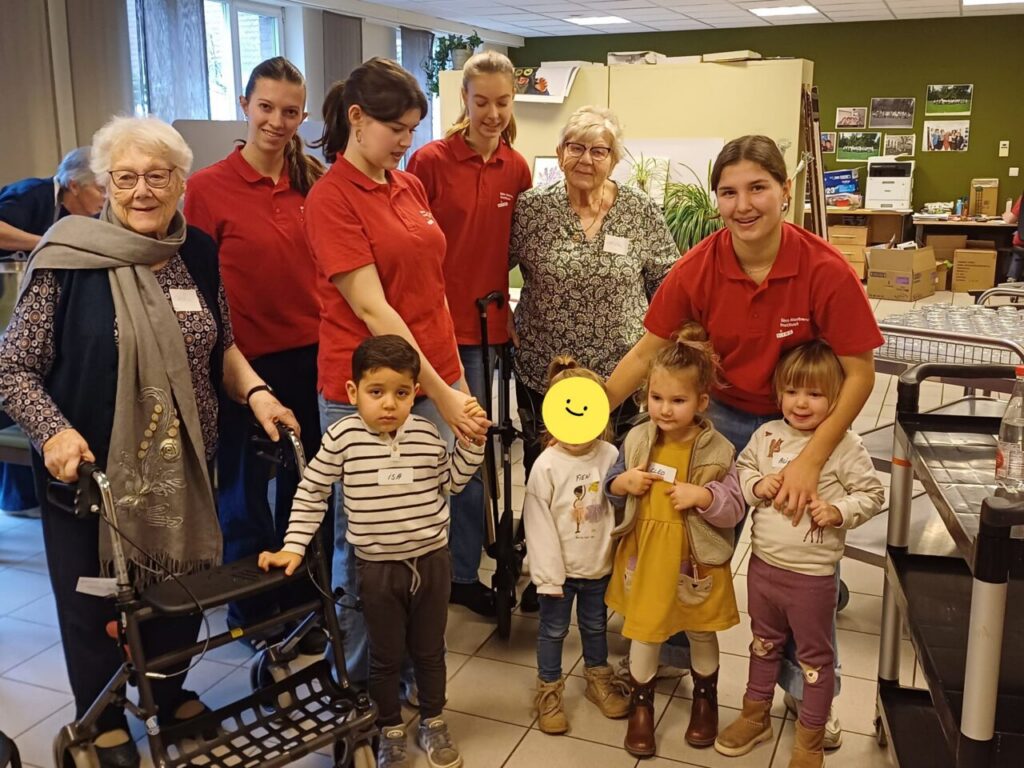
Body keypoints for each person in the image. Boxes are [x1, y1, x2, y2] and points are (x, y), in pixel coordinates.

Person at [0, 115, 298, 768]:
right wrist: (54, 432)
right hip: (92, 476)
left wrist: (256, 392)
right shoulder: (68, 258)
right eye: (125, 177)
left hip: (184, 471)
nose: (142, 190)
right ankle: (102, 715)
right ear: (105, 183)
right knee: (93, 600)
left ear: (181, 182)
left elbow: (221, 347)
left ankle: (167, 692)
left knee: (181, 589)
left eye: (157, 176)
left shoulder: (198, 253)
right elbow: (12, 367)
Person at [605, 134, 883, 749]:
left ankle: (806, 692)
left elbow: (859, 373)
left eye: (758, 187)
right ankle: (674, 656)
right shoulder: (699, 267)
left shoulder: (823, 269)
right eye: (728, 192)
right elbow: (649, 351)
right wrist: (591, 412)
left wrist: (811, 460)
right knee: (686, 536)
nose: (744, 204)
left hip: (801, 423)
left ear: (785, 190)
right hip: (723, 417)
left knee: (798, 560)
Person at [303, 57, 489, 685]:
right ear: (357, 118)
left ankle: (407, 668)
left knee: (421, 525)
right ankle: (359, 682)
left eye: (413, 129)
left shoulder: (406, 185)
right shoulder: (331, 198)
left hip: (433, 377)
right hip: (370, 390)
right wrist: (440, 392)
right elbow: (372, 309)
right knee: (366, 541)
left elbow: (433, 291)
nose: (406, 141)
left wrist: (455, 380)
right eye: (396, 129)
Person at [259, 334, 484, 768]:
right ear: (353, 392)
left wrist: (471, 444)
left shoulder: (426, 434)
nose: (389, 404)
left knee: (430, 651)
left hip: (431, 563)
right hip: (378, 570)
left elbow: (453, 482)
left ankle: (433, 719)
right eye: (376, 392)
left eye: (401, 393)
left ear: (415, 393)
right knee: (384, 655)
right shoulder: (343, 438)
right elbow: (313, 491)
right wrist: (293, 545)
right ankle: (389, 728)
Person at [185, 56, 328, 645]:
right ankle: (252, 609)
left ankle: (302, 600)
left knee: (306, 486)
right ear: (245, 106)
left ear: (303, 116)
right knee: (244, 495)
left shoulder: (313, 184)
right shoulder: (206, 189)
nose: (276, 121)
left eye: (290, 112)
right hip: (242, 366)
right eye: (265, 107)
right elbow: (195, 284)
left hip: (313, 356)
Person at [407, 50, 532, 618]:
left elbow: (518, 247)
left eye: (502, 102)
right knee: (445, 450)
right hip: (434, 332)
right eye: (481, 101)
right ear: (463, 98)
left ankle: (465, 561)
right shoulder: (429, 161)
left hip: (491, 330)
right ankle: (450, 570)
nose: (492, 113)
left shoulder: (516, 168)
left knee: (479, 450)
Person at [717, 341, 883, 767]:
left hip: (812, 579)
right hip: (762, 569)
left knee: (814, 660)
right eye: (792, 391)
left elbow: (872, 493)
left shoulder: (844, 446)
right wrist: (758, 486)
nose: (801, 403)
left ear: (837, 398)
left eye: (815, 394)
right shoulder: (767, 435)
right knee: (762, 644)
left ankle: (809, 740)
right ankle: (755, 716)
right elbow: (743, 470)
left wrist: (838, 511)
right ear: (778, 393)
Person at [510, 105, 679, 478]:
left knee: (618, 475)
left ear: (614, 159)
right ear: (560, 153)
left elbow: (669, 283)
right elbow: (489, 266)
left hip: (623, 373)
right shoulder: (532, 209)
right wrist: (500, 315)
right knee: (548, 473)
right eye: (576, 147)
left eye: (599, 151)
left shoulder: (639, 210)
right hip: (546, 373)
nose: (586, 159)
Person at [604, 324, 746, 758]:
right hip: (646, 555)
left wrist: (704, 497)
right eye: (656, 398)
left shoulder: (719, 449)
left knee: (701, 631)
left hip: (695, 560)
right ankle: (641, 707)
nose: (664, 410)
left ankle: (705, 700)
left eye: (678, 401)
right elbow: (610, 485)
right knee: (644, 633)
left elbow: (734, 507)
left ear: (701, 401)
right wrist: (623, 483)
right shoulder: (637, 438)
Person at [523, 356, 630, 735]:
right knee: (553, 631)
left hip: (598, 568)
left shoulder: (611, 455)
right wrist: (548, 577)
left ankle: (598, 679)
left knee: (595, 626)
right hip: (560, 574)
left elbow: (620, 509)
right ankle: (549, 690)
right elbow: (538, 526)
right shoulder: (546, 466)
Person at [0, 147, 106, 517]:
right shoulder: (31, 194)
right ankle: (17, 498)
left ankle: (21, 498)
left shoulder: (83, 216)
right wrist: (48, 245)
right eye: (100, 189)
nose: (105, 198)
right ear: (73, 184)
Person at [0, 146, 104, 257]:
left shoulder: (101, 214)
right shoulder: (32, 192)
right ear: (74, 186)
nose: (107, 197)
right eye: (102, 189)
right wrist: (51, 244)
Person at [1003, 193, 1022, 281]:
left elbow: (1010, 220)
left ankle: (1012, 281)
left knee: (1019, 251)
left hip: (1022, 243)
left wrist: (1005, 215)